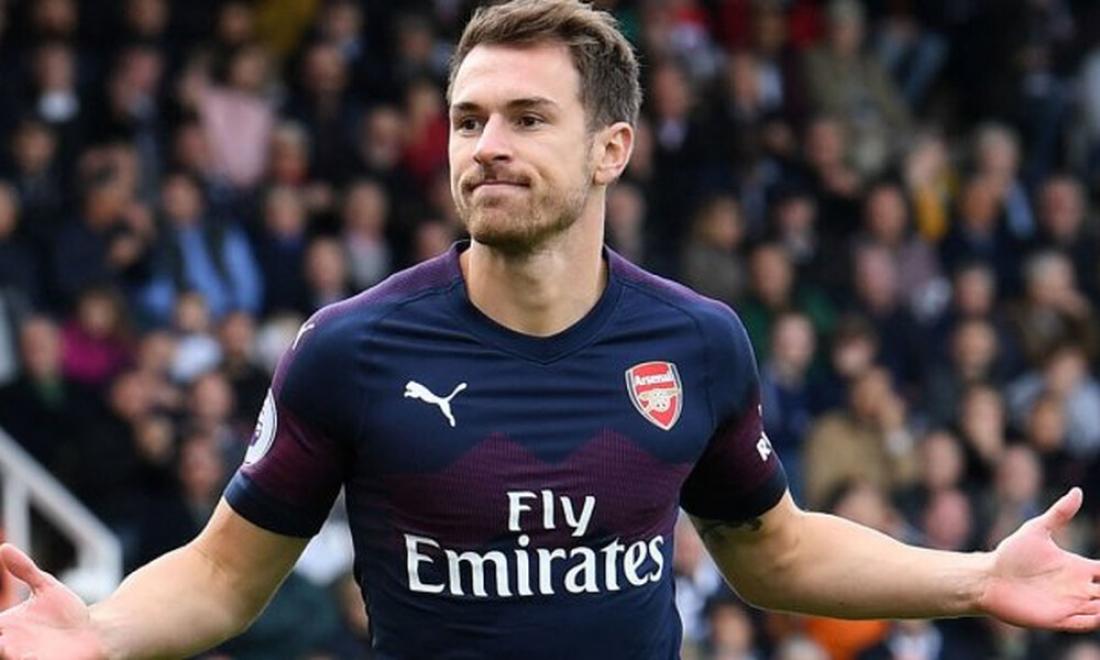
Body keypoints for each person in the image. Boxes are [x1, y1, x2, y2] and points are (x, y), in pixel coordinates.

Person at [1, 2, 1099, 658]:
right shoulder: (349, 349)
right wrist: (98, 633)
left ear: (610, 149)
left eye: (528, 118)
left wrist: (973, 578)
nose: (487, 143)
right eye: (467, 118)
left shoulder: (699, 342)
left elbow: (774, 551)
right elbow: (222, 578)